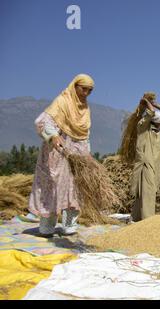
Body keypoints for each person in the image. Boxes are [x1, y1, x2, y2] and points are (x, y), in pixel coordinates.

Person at [28, 74, 95, 237]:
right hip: (57, 152)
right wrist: (53, 135)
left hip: (76, 153)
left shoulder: (85, 108)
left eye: (89, 91)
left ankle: (69, 225)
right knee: (52, 186)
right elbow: (42, 121)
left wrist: (87, 153)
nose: (85, 93)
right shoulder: (62, 101)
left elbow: (85, 132)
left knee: (74, 187)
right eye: (83, 89)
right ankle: (47, 227)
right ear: (75, 86)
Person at [130, 94, 160, 221]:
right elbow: (151, 112)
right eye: (158, 124)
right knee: (146, 191)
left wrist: (155, 103)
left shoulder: (156, 130)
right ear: (152, 122)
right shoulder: (142, 126)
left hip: (154, 164)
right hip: (145, 164)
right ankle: (147, 220)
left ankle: (137, 218)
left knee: (148, 191)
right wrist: (147, 102)